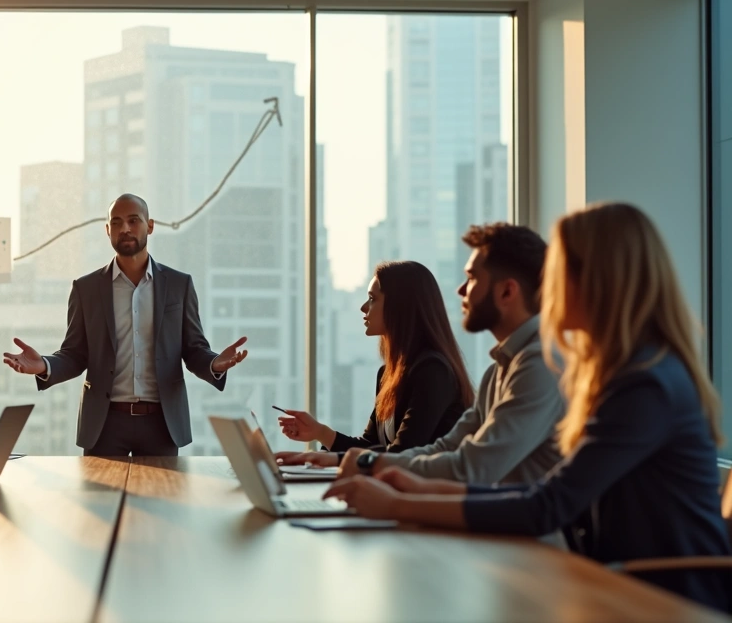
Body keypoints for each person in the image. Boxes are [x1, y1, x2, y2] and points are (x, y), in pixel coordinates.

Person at [325, 203, 730, 611]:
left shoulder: (645, 384)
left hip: (665, 599)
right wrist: (418, 487)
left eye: (557, 273)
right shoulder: (619, 372)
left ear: (599, 281)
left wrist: (398, 502)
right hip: (615, 580)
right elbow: (538, 492)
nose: (544, 287)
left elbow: (547, 504)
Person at [1, 193, 248, 456]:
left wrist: (214, 364)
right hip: (104, 423)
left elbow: (193, 349)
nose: (125, 229)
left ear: (149, 226)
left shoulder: (179, 285)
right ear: (107, 230)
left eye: (133, 220)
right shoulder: (86, 288)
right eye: (116, 223)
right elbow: (75, 354)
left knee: (161, 495)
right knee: (100, 497)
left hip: (162, 423)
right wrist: (44, 365)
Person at [323, 224, 565, 489]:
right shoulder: (497, 371)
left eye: (472, 278)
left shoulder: (541, 365)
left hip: (515, 529)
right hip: (492, 522)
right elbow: (448, 448)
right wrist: (361, 461)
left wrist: (371, 468)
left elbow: (470, 469)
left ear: (507, 291)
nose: (461, 291)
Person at [274, 261, 474, 465]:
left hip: (429, 493)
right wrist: (320, 433)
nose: (363, 307)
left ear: (400, 307)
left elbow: (402, 454)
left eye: (372, 299)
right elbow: (372, 446)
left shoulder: (433, 371)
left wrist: (328, 458)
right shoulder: (387, 373)